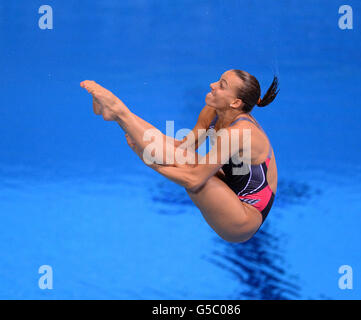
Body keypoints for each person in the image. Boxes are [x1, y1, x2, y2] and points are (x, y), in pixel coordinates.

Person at [80, 69, 278, 243]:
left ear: (235, 102)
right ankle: (117, 114)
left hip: (242, 221)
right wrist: (148, 144)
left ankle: (118, 111)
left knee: (190, 170)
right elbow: (185, 148)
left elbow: (194, 180)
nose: (212, 85)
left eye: (221, 85)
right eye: (218, 80)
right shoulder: (214, 110)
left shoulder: (239, 133)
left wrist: (150, 162)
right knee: (179, 156)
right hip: (229, 190)